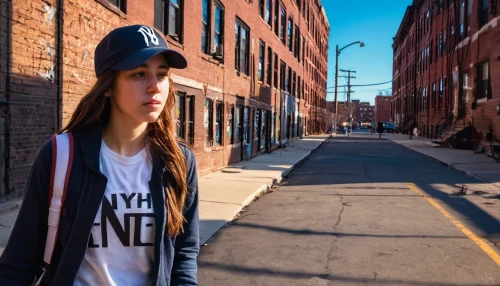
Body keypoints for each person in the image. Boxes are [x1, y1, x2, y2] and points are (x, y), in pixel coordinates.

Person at [0, 25, 199, 285]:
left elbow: (184, 253)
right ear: (108, 86)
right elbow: (20, 257)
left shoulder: (178, 160)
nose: (154, 87)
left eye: (161, 74)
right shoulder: (62, 155)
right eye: (139, 74)